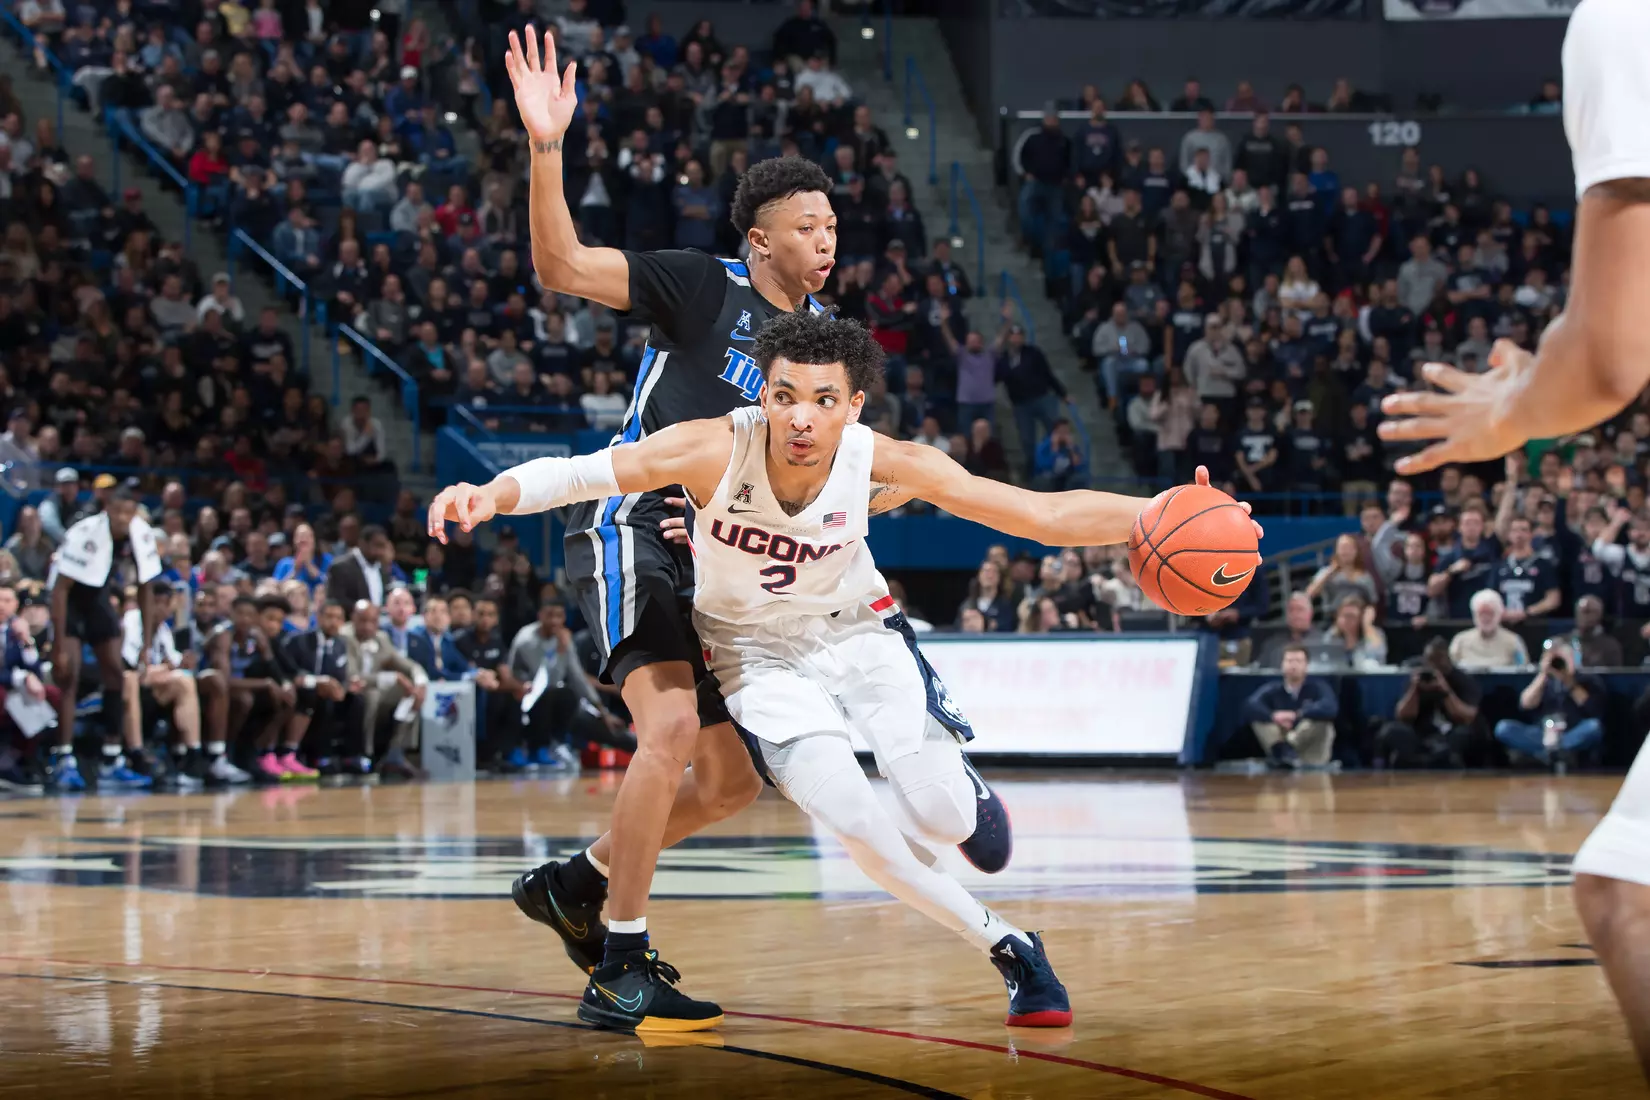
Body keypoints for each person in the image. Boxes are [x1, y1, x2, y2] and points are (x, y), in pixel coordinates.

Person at [429, 314, 1262, 1029]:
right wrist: (487, 492)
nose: (800, 417)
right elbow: (577, 475)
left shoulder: (886, 460)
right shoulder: (713, 448)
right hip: (755, 658)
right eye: (784, 395)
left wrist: (1161, 514)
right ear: (762, 393)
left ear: (852, 407)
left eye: (824, 400)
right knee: (860, 825)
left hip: (859, 637)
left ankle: (961, 794)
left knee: (935, 815)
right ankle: (1012, 947)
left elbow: (1036, 514)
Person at [488, 27, 842, 1028]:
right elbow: (559, 264)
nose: (828, 241)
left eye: (834, 227)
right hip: (640, 525)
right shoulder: (704, 285)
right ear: (761, 240)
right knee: (674, 729)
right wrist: (547, 144)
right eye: (809, 226)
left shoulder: (818, 354)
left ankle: (579, 882)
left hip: (726, 564)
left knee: (731, 782)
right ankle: (620, 961)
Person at [46, 489, 161, 792]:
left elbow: (147, 586)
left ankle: (112, 759)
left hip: (97, 596)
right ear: (107, 509)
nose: (124, 519)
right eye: (119, 512)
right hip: (69, 600)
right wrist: (58, 644)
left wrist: (147, 644)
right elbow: (59, 589)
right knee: (68, 675)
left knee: (116, 675)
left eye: (130, 512)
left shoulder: (141, 532)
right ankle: (63, 758)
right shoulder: (84, 532)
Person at [1493, 640, 1607, 769]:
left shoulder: (1588, 679)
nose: (1557, 664)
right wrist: (1543, 674)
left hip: (1571, 732)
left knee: (1593, 727)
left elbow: (1592, 708)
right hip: (1542, 735)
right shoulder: (1543, 680)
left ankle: (1551, 753)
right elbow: (1526, 704)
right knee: (1503, 728)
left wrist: (1568, 680)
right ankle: (1555, 753)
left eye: (1561, 659)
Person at [1374, 638, 1484, 768]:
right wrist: (1415, 689)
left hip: (1451, 735)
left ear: (1448, 660)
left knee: (1464, 734)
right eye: (1430, 660)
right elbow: (1403, 716)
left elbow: (1467, 717)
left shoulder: (1462, 680)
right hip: (1422, 734)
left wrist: (1445, 691)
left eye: (1439, 660)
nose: (1434, 666)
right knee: (1392, 730)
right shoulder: (1419, 677)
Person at [1240, 643, 1337, 768]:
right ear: (1282, 664)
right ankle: (1282, 752)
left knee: (1322, 722)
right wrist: (1273, 716)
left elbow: (1330, 707)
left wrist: (1297, 715)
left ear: (1306, 665)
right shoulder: (1273, 689)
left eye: (1298, 661)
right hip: (1281, 737)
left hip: (1308, 748)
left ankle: (1287, 749)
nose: (1293, 665)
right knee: (1260, 720)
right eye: (1289, 661)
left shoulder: (1319, 687)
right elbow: (1251, 704)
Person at [1448, 589, 1530, 669]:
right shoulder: (1460, 640)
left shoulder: (1514, 641)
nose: (1485, 618)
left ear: (1499, 614)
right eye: (1482, 614)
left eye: (1490, 613)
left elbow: (1523, 669)